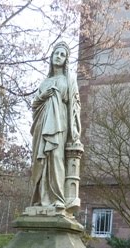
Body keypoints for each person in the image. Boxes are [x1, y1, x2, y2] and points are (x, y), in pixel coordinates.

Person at [30, 42, 81, 209]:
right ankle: (40, 199)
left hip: (59, 122)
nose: (58, 57)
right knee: (41, 160)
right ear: (51, 58)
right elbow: (35, 104)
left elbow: (74, 105)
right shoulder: (45, 82)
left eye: (62, 54)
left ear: (66, 59)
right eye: (55, 54)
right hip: (42, 123)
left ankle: (57, 198)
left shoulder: (69, 79)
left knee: (56, 158)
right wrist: (44, 95)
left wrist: (74, 132)